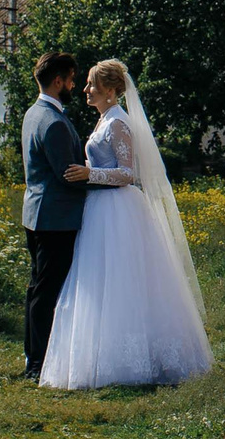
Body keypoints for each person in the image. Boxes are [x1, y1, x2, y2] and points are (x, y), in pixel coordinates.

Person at [38, 58, 214, 389]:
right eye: (87, 84)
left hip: (118, 209)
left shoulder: (118, 123)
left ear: (110, 90)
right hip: (101, 208)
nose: (86, 90)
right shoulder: (105, 118)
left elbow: (128, 173)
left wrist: (90, 173)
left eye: (92, 84)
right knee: (102, 281)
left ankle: (134, 358)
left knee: (123, 281)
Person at [19, 51, 89, 381]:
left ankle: (34, 356)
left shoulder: (34, 113)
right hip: (56, 219)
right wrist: (106, 179)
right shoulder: (55, 122)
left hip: (37, 213)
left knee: (38, 288)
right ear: (58, 81)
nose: (74, 85)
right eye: (72, 79)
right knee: (47, 291)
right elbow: (68, 174)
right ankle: (38, 363)